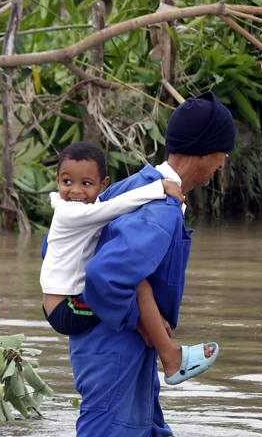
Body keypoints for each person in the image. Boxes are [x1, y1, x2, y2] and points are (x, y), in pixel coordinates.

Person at [64, 92, 236, 437]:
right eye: (223, 154)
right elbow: (103, 277)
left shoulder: (137, 185)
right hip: (114, 354)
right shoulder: (158, 212)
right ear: (205, 154)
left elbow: (63, 239)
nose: (223, 164)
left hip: (124, 355)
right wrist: (142, 321)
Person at [40, 142, 219, 381]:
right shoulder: (70, 212)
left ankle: (150, 333)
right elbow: (114, 207)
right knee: (136, 285)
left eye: (86, 184)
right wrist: (159, 188)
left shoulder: (83, 208)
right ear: (57, 180)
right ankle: (169, 357)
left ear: (103, 185)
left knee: (132, 288)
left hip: (64, 302)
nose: (75, 191)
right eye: (67, 182)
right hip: (65, 310)